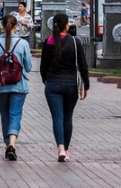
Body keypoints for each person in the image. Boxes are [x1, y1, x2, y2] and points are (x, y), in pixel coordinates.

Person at [40, 12, 90, 162]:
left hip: (52, 85)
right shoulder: (75, 42)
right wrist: (86, 85)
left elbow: (43, 66)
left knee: (57, 118)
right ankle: (66, 150)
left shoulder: (48, 42)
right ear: (67, 25)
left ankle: (60, 148)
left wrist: (45, 79)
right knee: (67, 118)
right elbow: (83, 65)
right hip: (71, 86)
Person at [0, 14, 32, 161]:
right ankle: (12, 143)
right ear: (15, 26)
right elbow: (29, 67)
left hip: (1, 84)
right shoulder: (23, 43)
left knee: (5, 115)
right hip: (19, 85)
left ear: (2, 26)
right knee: (15, 114)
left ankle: (7, 145)